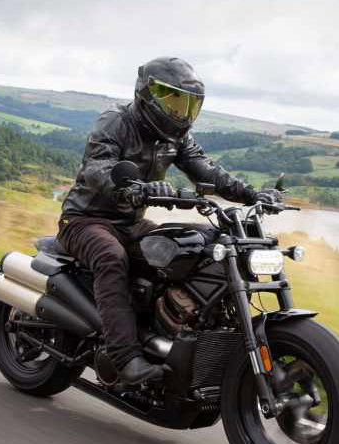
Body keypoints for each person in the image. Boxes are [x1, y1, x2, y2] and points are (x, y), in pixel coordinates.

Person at [57, 57, 280, 385]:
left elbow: (207, 169)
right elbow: (97, 168)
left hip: (130, 224)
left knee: (202, 245)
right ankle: (125, 357)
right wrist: (137, 189)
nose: (182, 113)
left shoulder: (176, 138)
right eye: (175, 101)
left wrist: (253, 194)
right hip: (84, 220)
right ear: (148, 94)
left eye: (189, 105)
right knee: (111, 257)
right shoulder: (115, 122)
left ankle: (177, 330)